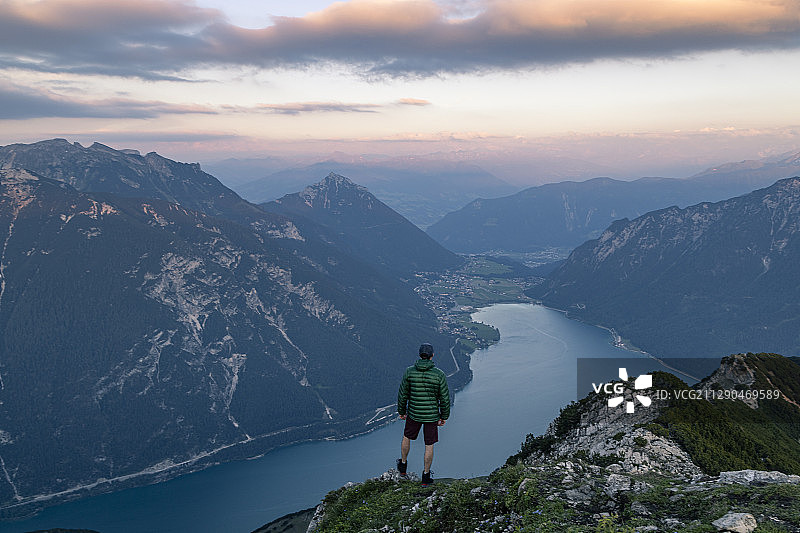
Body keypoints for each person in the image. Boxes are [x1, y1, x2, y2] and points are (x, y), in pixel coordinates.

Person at [396, 342, 450, 486]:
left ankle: (402, 466)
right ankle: (426, 476)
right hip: (431, 416)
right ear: (432, 356)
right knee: (429, 445)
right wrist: (444, 416)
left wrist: (401, 411)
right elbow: (444, 398)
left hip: (413, 413)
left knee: (407, 437)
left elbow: (403, 395)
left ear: (420, 355)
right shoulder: (439, 375)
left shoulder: (409, 371)